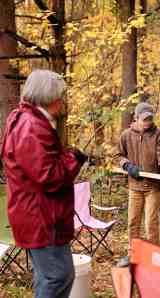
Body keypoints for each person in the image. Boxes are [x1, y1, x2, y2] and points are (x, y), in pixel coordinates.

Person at [1, 69, 88, 298]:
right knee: (58, 276)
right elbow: (49, 176)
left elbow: (41, 165)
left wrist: (65, 156)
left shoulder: (31, 121)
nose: (62, 102)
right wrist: (74, 158)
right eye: (59, 96)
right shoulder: (31, 127)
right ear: (48, 97)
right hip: (41, 217)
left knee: (49, 276)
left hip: (39, 214)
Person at [117, 102, 160, 263]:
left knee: (151, 223)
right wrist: (127, 165)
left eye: (150, 119)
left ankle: (154, 255)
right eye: (144, 119)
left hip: (153, 187)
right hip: (134, 187)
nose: (148, 122)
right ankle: (133, 254)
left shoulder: (158, 135)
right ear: (136, 118)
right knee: (132, 222)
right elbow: (118, 156)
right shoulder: (126, 135)